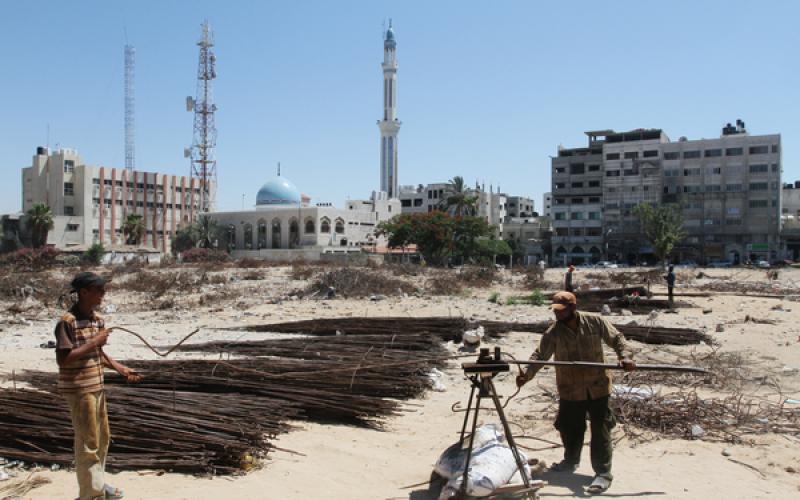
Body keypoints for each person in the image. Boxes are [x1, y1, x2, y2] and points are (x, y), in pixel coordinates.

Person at [516, 291, 636, 494]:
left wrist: (625, 357)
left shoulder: (595, 322)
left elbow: (617, 338)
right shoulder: (554, 332)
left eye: (561, 311)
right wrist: (527, 374)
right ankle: (571, 461)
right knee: (568, 427)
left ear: (573, 307)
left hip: (597, 386)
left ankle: (603, 474)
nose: (557, 315)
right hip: (570, 388)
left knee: (600, 429)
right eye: (555, 311)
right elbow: (540, 354)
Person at [55, 272, 141, 500]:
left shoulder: (97, 320)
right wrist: (94, 341)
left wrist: (120, 368)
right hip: (80, 389)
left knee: (102, 438)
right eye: (99, 290)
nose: (103, 295)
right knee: (88, 442)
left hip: (97, 385)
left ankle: (98, 484)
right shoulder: (67, 322)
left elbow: (97, 353)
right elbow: (63, 359)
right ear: (84, 293)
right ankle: (91, 495)